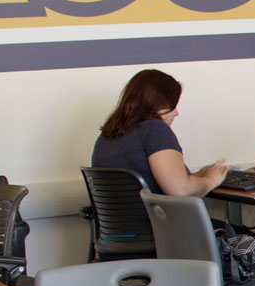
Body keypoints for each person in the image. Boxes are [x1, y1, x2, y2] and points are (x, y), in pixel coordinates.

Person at [93, 69, 231, 196]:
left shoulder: (107, 135)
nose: (176, 113)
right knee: (229, 224)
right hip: (158, 221)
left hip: (119, 223)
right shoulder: (154, 130)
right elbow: (181, 190)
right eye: (173, 106)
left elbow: (154, 179)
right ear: (159, 104)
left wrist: (198, 175)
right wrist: (212, 179)